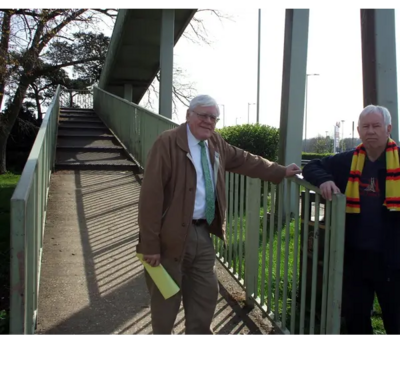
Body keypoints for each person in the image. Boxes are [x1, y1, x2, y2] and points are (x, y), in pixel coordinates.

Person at [137, 94, 301, 335]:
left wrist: (280, 171)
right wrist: (150, 243)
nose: (208, 121)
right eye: (203, 115)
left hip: (202, 233)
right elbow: (150, 196)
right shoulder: (168, 143)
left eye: (214, 117)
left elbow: (246, 160)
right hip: (168, 237)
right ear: (188, 115)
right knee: (165, 300)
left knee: (205, 295)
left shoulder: (215, 143)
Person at [302, 104, 400, 335]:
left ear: (388, 128)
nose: (371, 131)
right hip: (356, 257)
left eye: (376, 126)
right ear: (358, 131)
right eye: (365, 126)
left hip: (393, 260)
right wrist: (325, 180)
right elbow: (313, 166)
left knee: (395, 319)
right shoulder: (347, 160)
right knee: (356, 318)